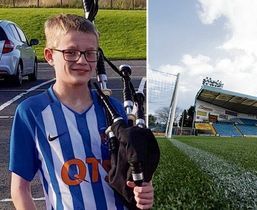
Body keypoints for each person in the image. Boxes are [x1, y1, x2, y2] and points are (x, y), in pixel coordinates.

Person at [9, 14, 153, 210]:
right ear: (50, 56)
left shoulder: (114, 110)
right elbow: (19, 189)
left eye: (90, 53)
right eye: (70, 52)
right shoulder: (31, 112)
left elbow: (131, 170)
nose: (82, 60)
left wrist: (144, 189)